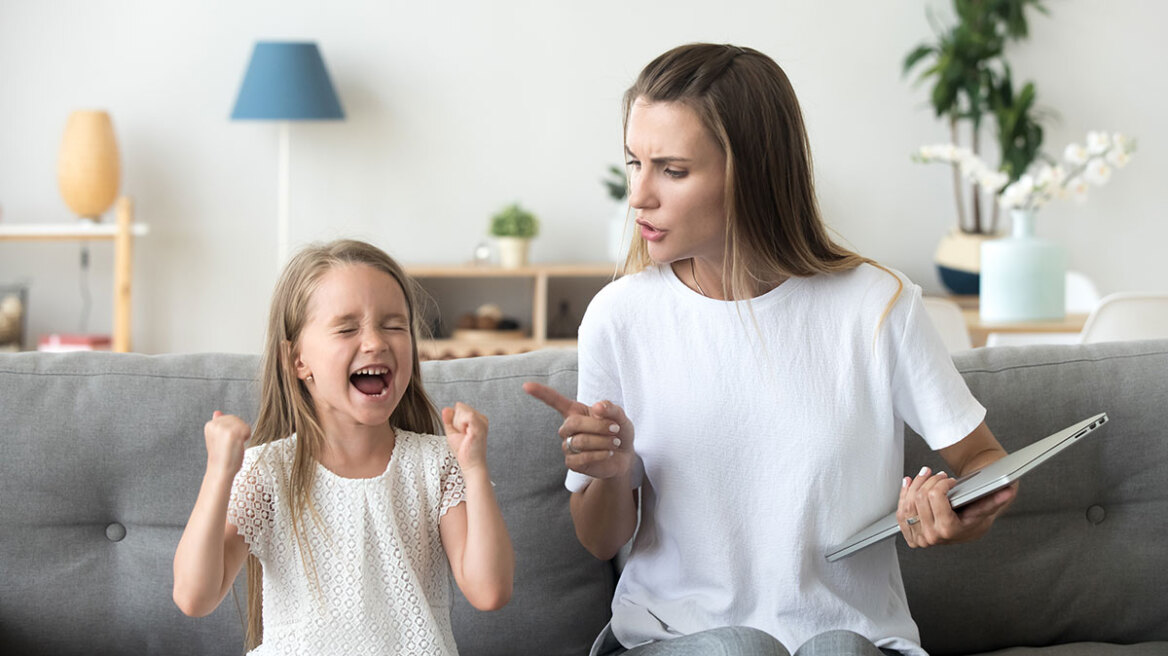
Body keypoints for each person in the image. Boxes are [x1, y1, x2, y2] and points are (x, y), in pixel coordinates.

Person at [524, 43, 1016, 656]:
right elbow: (600, 541)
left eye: (672, 170)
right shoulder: (620, 318)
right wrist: (613, 473)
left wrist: (955, 509)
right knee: (739, 650)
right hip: (677, 640)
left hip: (856, 638)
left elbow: (986, 464)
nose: (639, 196)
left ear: (752, 173)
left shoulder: (877, 304)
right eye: (634, 163)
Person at [173, 239, 514, 655]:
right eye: (347, 328)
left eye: (393, 325)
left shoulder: (436, 464)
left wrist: (475, 469)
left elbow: (489, 591)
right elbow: (195, 596)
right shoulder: (268, 471)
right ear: (297, 360)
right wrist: (219, 473)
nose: (375, 342)